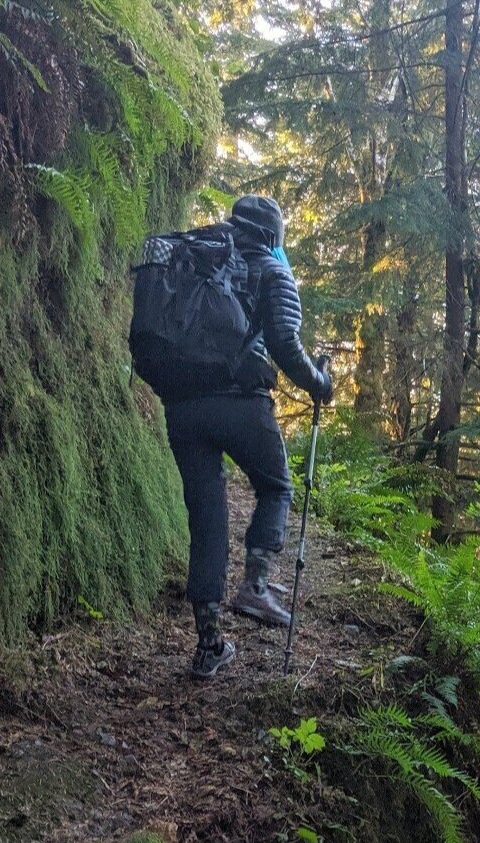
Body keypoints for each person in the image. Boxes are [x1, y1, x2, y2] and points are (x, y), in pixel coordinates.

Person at [159, 195, 333, 679]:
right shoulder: (270, 269)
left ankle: (209, 643)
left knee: (207, 518)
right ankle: (256, 584)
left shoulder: (198, 256)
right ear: (273, 235)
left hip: (182, 405)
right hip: (239, 400)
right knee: (276, 485)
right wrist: (320, 383)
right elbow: (284, 343)